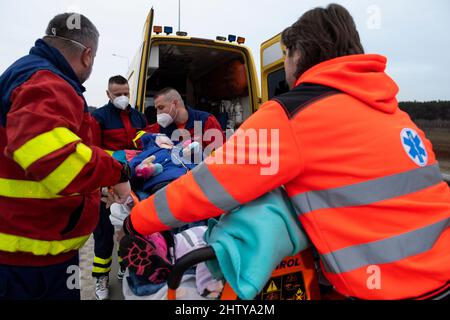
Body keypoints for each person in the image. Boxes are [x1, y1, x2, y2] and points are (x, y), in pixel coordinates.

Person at [126, 4, 450, 300]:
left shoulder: (293, 114)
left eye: (287, 57)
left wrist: (136, 221)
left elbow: (207, 187)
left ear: (298, 54)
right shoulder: (397, 116)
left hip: (391, 292)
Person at [0, 13, 131, 300]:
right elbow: (53, 157)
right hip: (28, 260)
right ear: (87, 55)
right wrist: (117, 172)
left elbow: (69, 147)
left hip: (37, 250)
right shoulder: (49, 83)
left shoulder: (32, 75)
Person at [90, 75, 147, 300]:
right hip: (106, 187)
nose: (123, 98)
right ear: (108, 94)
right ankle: (101, 278)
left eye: (126, 93)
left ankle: (125, 265)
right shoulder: (99, 117)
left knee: (130, 229)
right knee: (103, 234)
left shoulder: (138, 117)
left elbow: (145, 145)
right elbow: (93, 152)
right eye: (117, 94)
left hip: (132, 185)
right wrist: (123, 157)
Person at [153, 87, 226, 150]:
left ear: (175, 104)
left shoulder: (206, 121)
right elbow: (142, 136)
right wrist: (152, 137)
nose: (158, 113)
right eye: (156, 109)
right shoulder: (162, 126)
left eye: (161, 108)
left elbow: (220, 154)